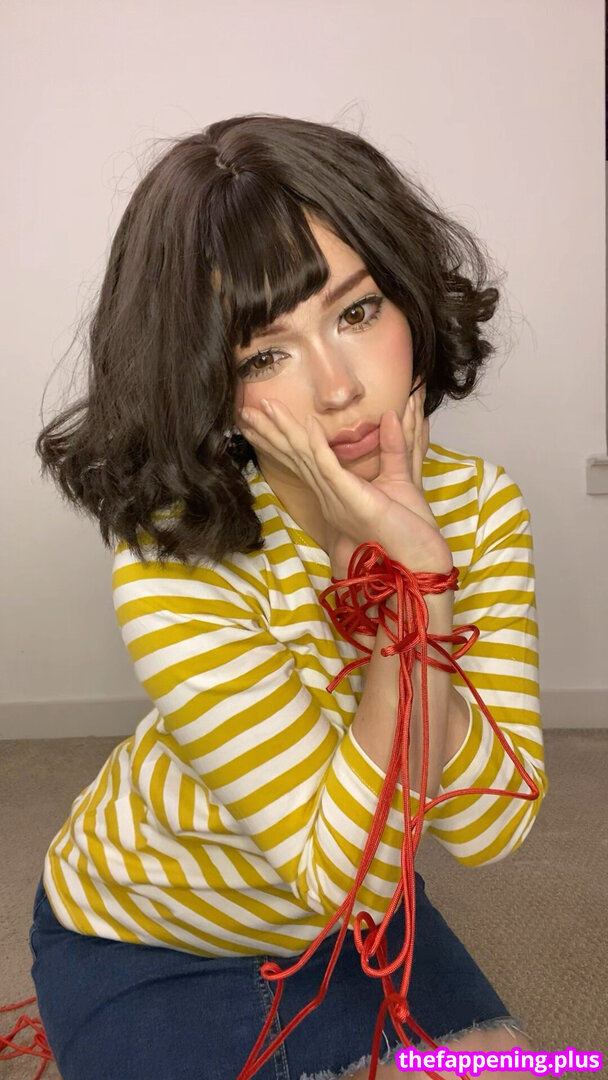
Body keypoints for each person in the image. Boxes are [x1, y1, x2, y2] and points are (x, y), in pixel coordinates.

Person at [29, 114, 547, 1080]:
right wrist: (401, 612)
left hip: (351, 917)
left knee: (525, 1070)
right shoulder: (174, 556)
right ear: (209, 385)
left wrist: (416, 581)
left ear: (409, 297)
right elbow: (347, 877)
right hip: (147, 935)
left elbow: (489, 826)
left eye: (357, 311)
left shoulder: (479, 510)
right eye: (264, 355)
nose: (339, 389)